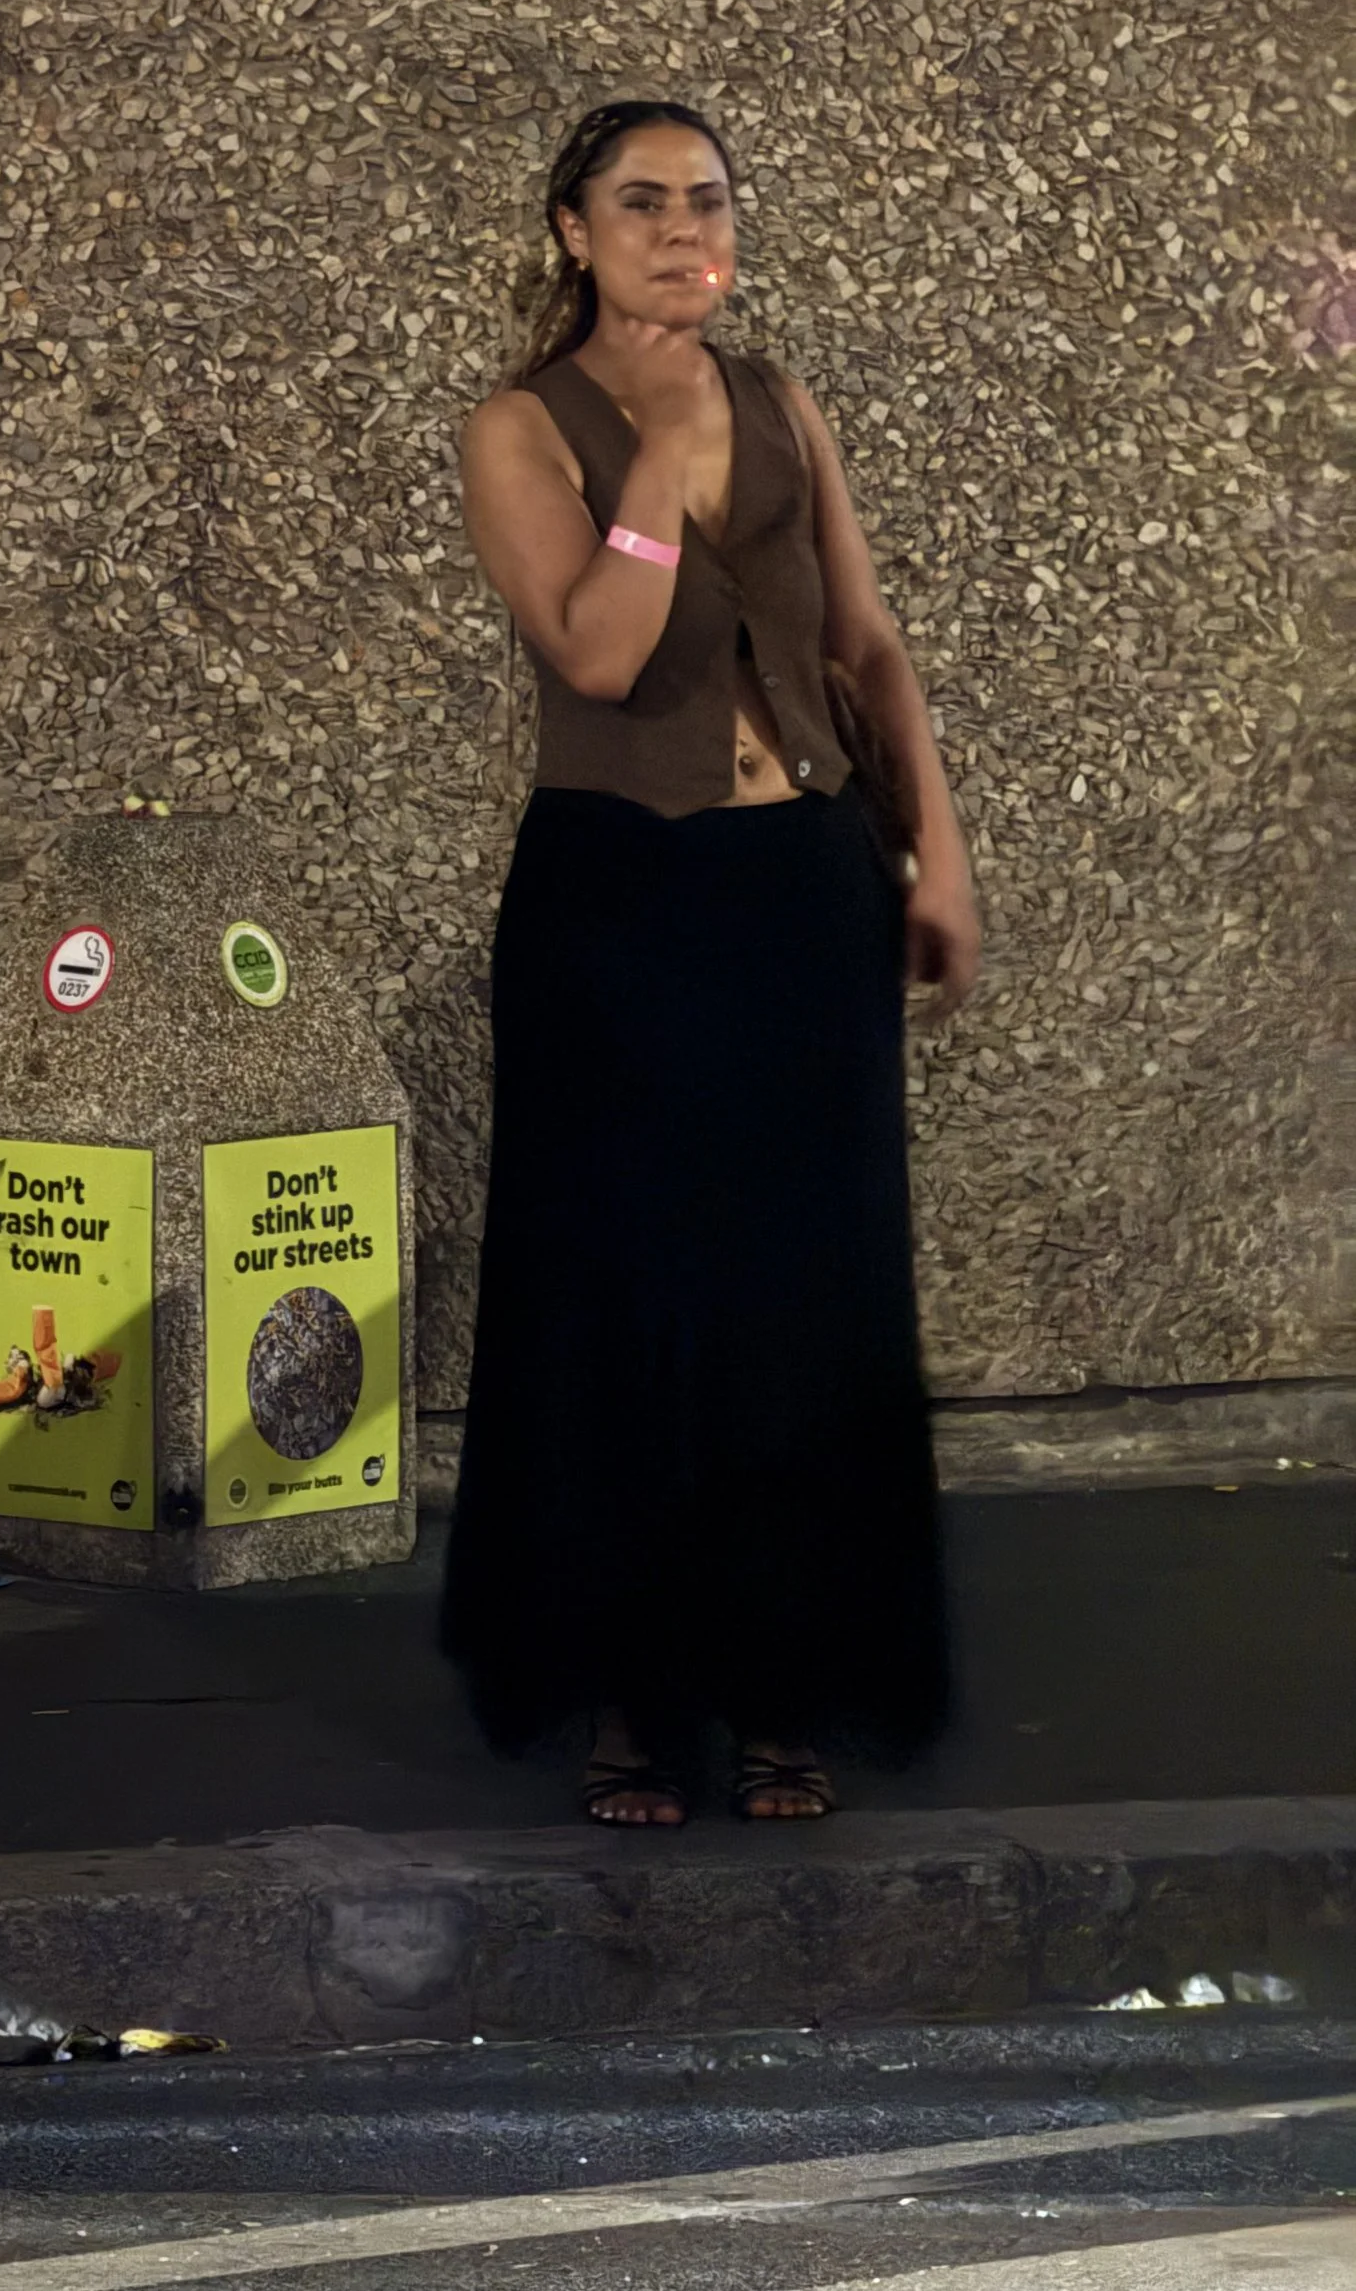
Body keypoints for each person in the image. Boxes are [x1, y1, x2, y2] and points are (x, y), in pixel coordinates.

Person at [441, 98, 980, 1829]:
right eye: (643, 202)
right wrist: (660, 458)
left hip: (798, 885)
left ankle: (781, 1693)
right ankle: (627, 1699)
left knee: (800, 1298)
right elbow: (595, 656)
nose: (684, 229)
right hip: (622, 900)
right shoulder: (523, 429)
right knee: (628, 1295)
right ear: (573, 233)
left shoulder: (789, 405)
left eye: (709, 201)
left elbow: (869, 651)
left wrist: (935, 855)